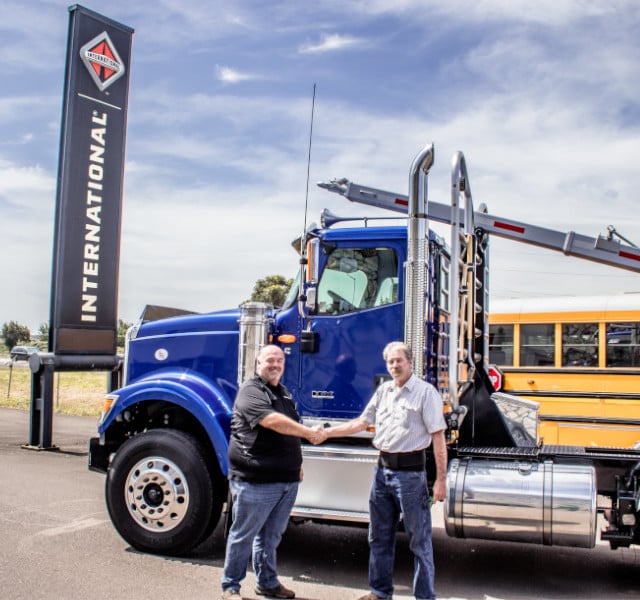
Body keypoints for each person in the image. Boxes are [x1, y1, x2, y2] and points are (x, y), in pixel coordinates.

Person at [323, 341, 447, 600]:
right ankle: (379, 593)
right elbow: (361, 422)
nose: (394, 366)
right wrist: (325, 433)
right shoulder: (384, 391)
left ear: (410, 363)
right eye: (390, 362)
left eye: (399, 360)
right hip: (382, 473)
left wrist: (441, 481)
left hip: (411, 476)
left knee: (419, 542)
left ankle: (425, 596)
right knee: (378, 537)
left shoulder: (425, 393)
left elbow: (438, 438)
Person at [221, 344, 325, 600]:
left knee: (271, 536)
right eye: (270, 360)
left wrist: (296, 464)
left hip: (286, 479)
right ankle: (230, 587)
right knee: (243, 535)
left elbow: (289, 433)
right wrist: (309, 433)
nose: (275, 365)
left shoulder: (283, 393)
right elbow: (272, 421)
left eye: (279, 361)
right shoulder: (251, 390)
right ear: (258, 362)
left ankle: (267, 583)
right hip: (256, 480)